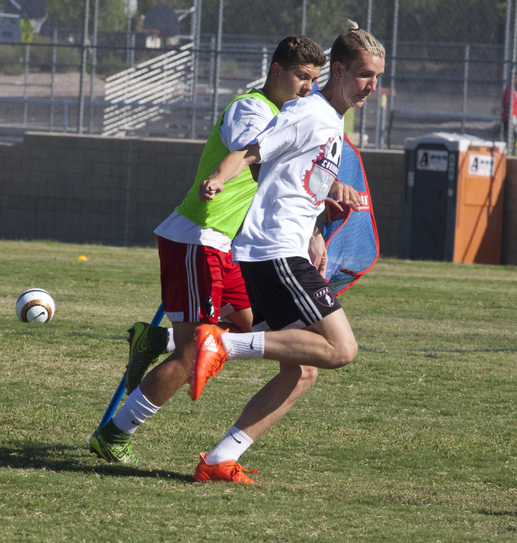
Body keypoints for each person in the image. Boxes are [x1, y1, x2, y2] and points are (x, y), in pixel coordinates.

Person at [89, 35, 327, 465]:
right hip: (199, 238)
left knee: (258, 333)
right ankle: (114, 434)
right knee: (194, 353)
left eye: (314, 80)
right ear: (276, 70)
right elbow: (252, 153)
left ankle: (155, 339)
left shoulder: (287, 115)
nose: (307, 87)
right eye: (301, 77)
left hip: (230, 249)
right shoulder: (251, 109)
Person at [188, 20, 386, 485]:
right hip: (273, 250)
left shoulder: (330, 120)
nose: (371, 86)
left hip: (284, 249)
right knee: (341, 349)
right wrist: (219, 176)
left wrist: (319, 219)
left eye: (376, 77)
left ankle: (218, 461)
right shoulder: (310, 113)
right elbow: (253, 153)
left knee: (299, 374)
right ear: (336, 71)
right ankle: (222, 343)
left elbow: (296, 177)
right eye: (363, 75)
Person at [501, 72, 517, 142]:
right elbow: (508, 104)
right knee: (511, 139)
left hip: (514, 119)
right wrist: (511, 118)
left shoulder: (514, 91)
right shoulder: (509, 89)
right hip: (510, 119)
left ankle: (514, 151)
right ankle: (510, 151)